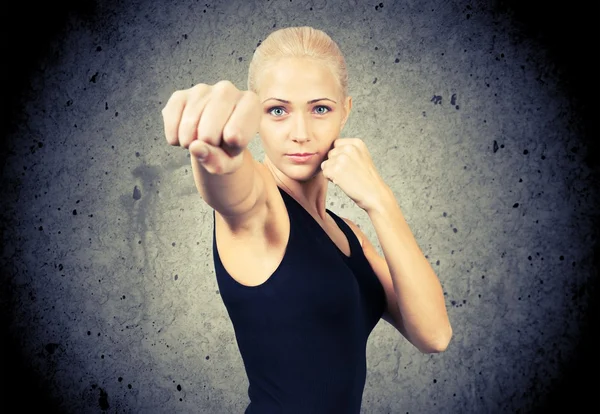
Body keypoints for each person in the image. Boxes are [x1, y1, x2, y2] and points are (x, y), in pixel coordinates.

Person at [162, 26, 452, 413]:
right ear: (256, 116)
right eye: (277, 111)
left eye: (320, 109)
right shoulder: (261, 205)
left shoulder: (349, 234)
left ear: (345, 111)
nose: (300, 133)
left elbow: (433, 335)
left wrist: (381, 201)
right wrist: (217, 145)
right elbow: (234, 188)